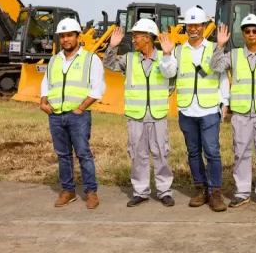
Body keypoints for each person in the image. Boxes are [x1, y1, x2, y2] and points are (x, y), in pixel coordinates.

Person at [104, 18, 175, 208]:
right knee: (137, 154)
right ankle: (141, 192)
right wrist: (112, 47)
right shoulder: (129, 59)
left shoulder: (165, 57)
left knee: (161, 153)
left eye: (136, 36)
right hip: (136, 116)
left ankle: (164, 191)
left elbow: (172, 79)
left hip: (157, 115)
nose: (133, 40)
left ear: (148, 38)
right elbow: (109, 65)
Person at [210, 14, 256, 208]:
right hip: (241, 114)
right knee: (241, 153)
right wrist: (220, 45)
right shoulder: (234, 55)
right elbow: (215, 66)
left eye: (255, 30)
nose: (251, 34)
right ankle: (242, 192)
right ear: (243, 33)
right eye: (247, 31)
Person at [40, 18, 105, 209]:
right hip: (56, 114)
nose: (66, 39)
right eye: (63, 36)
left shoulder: (90, 58)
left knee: (83, 154)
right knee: (63, 155)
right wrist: (43, 101)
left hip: (78, 116)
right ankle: (68, 191)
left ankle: (91, 192)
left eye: (69, 35)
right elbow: (47, 82)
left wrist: (81, 108)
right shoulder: (54, 60)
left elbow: (97, 87)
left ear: (78, 37)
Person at [170, 7, 230, 212]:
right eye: (190, 25)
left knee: (212, 152)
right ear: (186, 27)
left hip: (209, 108)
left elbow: (222, 76)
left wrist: (225, 103)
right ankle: (200, 189)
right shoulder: (178, 50)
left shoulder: (215, 48)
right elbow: (169, 72)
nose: (193, 28)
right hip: (187, 109)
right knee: (193, 152)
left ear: (204, 27)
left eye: (197, 25)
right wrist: (168, 53)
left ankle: (215, 192)